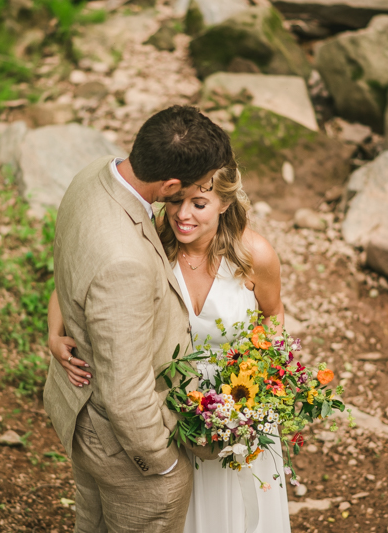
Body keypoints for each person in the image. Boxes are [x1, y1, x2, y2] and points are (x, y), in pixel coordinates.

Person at [49, 151, 292, 532]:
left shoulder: (253, 255)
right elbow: (78, 271)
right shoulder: (150, 247)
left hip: (237, 400)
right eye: (176, 200)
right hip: (169, 401)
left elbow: (273, 314)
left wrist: (262, 380)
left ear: (224, 203)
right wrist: (54, 332)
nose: (183, 215)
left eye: (199, 203)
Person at [43, 105, 233, 533]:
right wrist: (163, 465)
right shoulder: (123, 263)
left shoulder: (96, 173)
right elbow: (126, 393)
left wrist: (57, 327)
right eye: (193, 188)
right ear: (168, 185)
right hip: (122, 450)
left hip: (81, 413)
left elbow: (71, 266)